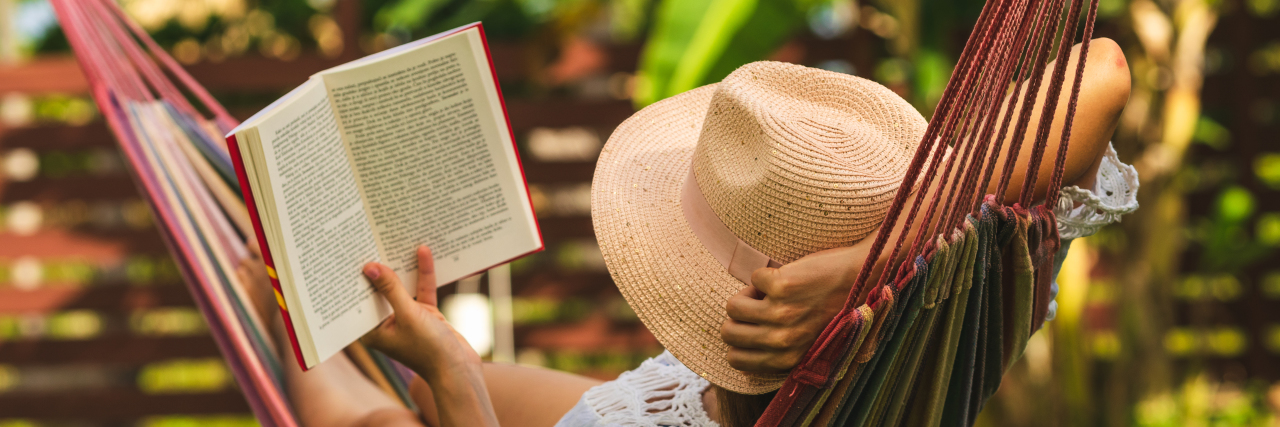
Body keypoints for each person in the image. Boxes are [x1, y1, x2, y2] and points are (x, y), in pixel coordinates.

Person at [236, 37, 1138, 427]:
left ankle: (286, 315)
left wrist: (453, 377)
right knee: (419, 380)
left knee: (396, 408)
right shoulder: (945, 317)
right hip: (704, 394)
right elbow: (1100, 71)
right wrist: (874, 260)